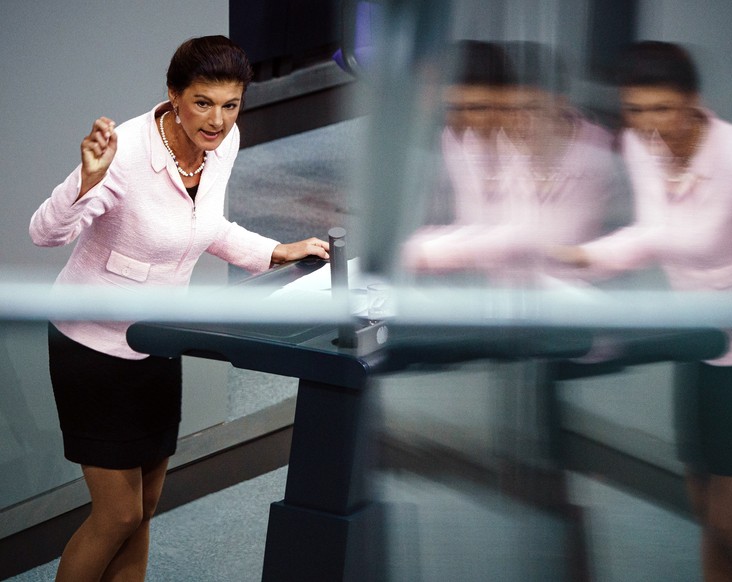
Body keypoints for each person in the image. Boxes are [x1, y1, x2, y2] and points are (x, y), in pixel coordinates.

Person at [29, 35, 329, 582]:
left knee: (143, 510)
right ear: (174, 95)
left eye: (230, 104)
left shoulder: (225, 142)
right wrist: (85, 180)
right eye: (203, 103)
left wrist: (274, 251)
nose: (217, 120)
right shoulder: (123, 153)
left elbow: (205, 225)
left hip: (160, 341)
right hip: (93, 346)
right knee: (115, 513)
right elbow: (44, 234)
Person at [553, 41, 732, 581]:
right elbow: (653, 234)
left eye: (663, 108)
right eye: (636, 109)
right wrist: (578, 258)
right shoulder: (640, 145)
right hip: (702, 343)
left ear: (693, 102)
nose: (650, 123)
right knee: (706, 512)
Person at [402, 40, 617, 281]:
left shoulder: (596, 153)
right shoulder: (465, 140)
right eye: (509, 109)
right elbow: (478, 228)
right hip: (493, 297)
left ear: (560, 103)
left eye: (533, 108)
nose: (519, 120)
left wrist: (425, 251)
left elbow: (543, 242)